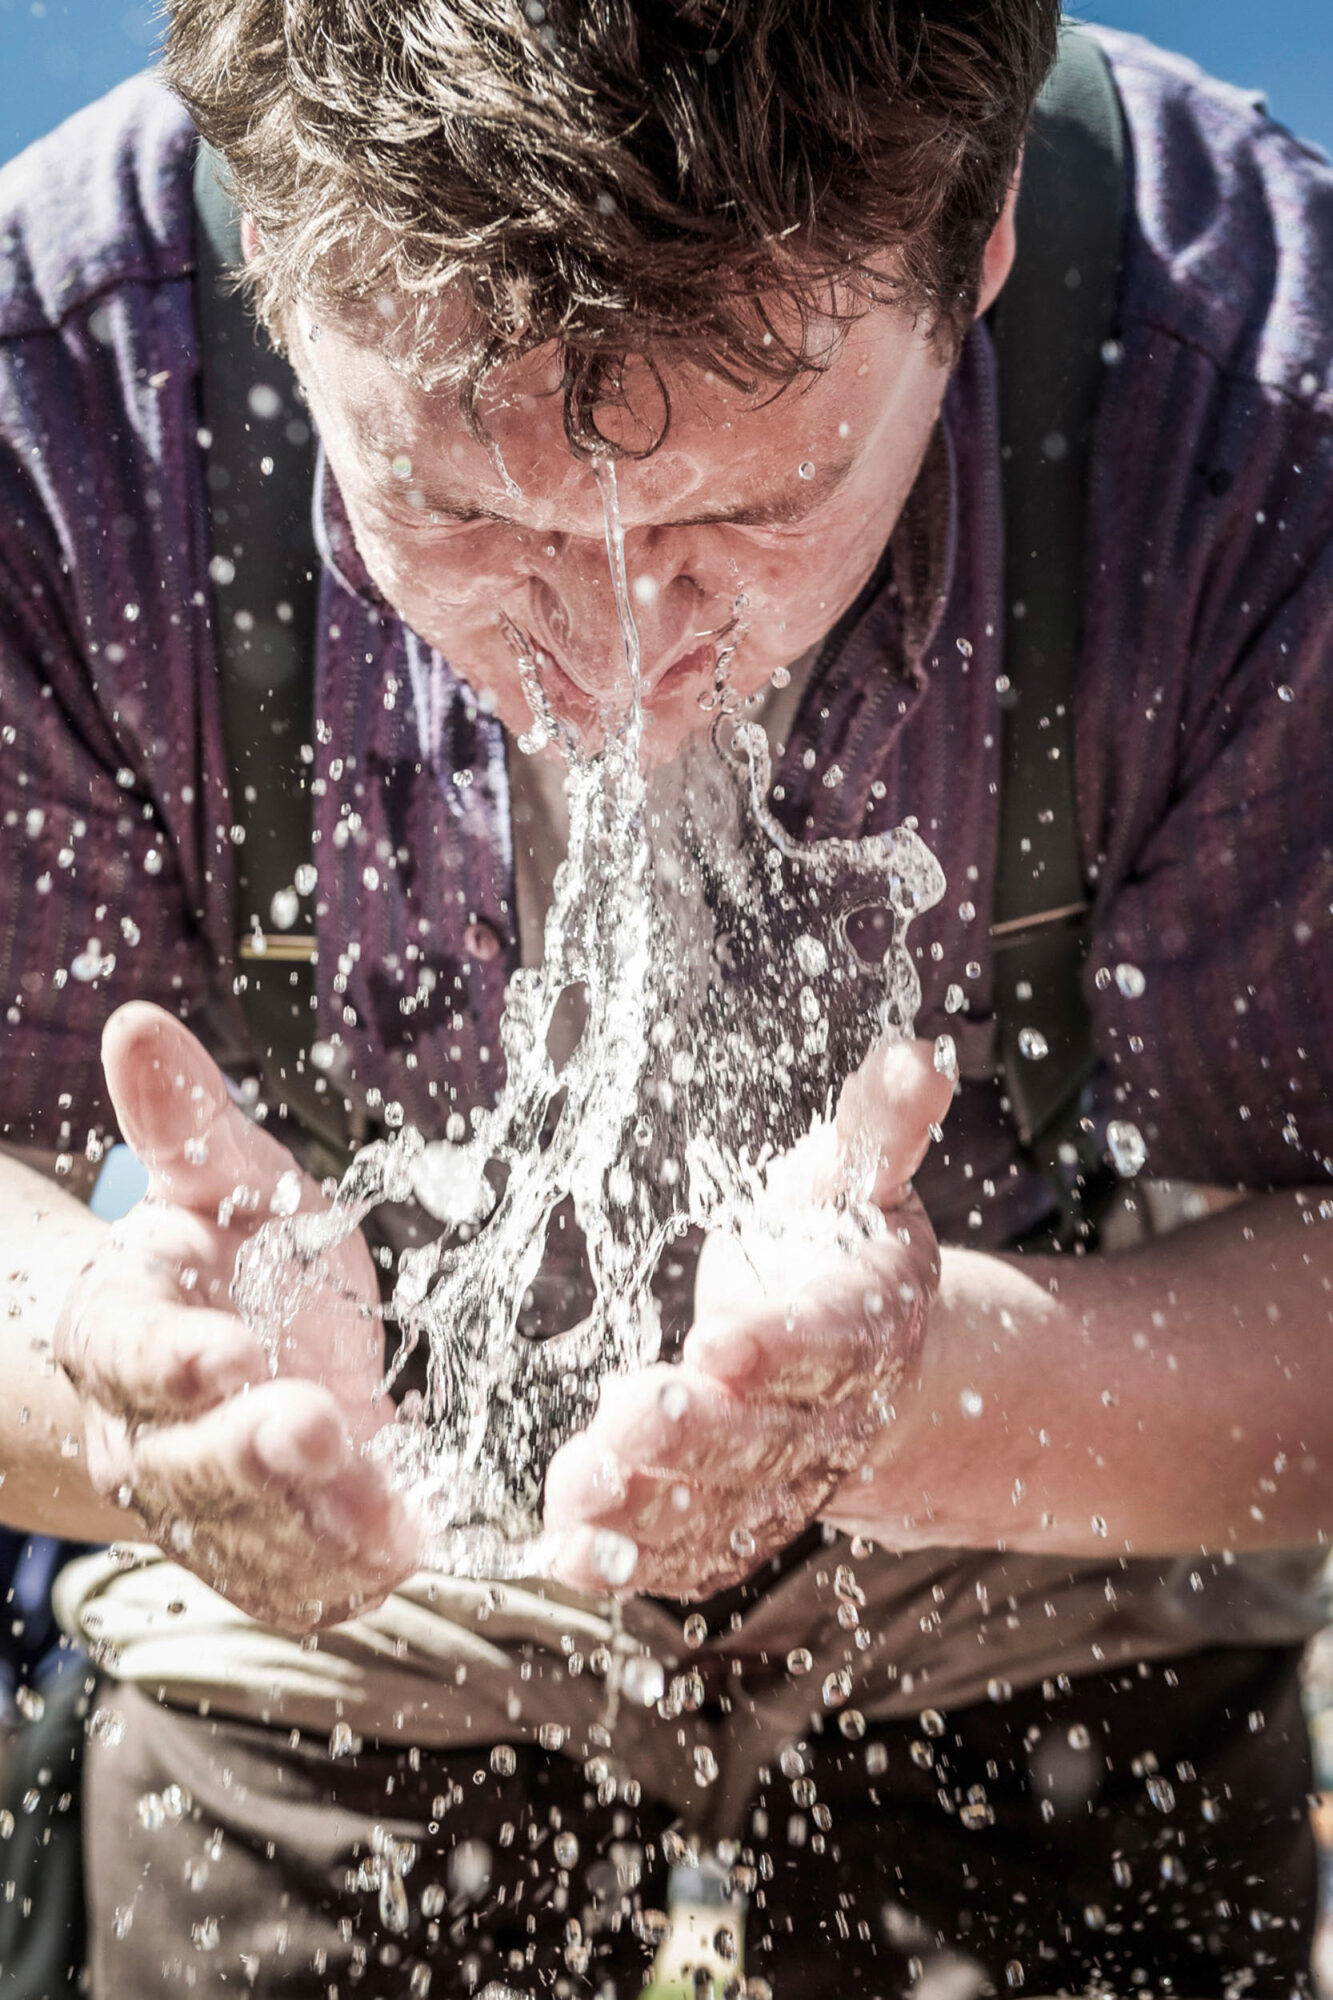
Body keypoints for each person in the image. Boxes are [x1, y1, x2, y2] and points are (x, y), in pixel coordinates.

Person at [0, 2, 1329, 1994]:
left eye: (747, 510)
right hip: (355, 1532)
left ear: (970, 257)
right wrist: (126, 1392)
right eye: (461, 512)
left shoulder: (1259, 426)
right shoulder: (61, 398)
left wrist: (922, 1395)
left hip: (1042, 1500)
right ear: (275, 272)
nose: (617, 651)